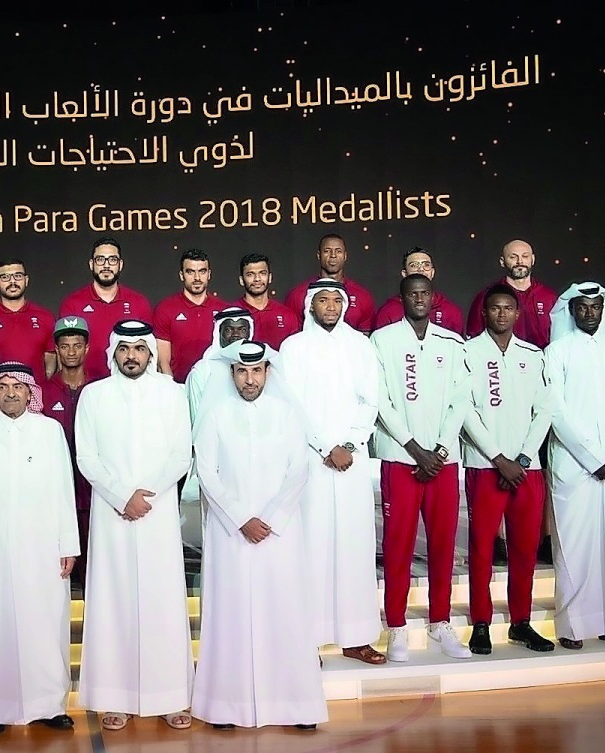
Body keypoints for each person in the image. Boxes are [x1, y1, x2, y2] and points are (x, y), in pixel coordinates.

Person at [191, 340, 327, 731]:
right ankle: (226, 707)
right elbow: (208, 473)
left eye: (256, 371)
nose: (249, 379)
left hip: (278, 535)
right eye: (241, 372)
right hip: (230, 533)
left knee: (283, 614)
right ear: (232, 374)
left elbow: (298, 470)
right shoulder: (215, 415)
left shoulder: (286, 415)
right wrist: (240, 519)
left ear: (268, 372)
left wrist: (270, 518)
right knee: (230, 616)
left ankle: (294, 706)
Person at [75, 320, 194, 732]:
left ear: (149, 352)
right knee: (113, 604)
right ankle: (116, 697)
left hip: (158, 514)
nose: (132, 356)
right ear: (113, 353)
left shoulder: (172, 394)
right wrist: (122, 495)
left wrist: (148, 495)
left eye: (139, 349)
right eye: (124, 349)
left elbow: (182, 455)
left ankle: (171, 696)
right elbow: (86, 457)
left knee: (162, 603)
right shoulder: (94, 396)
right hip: (112, 515)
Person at [0, 363, 80, 735]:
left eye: (18, 387)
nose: (11, 393)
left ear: (31, 392)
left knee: (45, 624)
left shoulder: (49, 430)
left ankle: (49, 705)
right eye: (4, 387)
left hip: (43, 547)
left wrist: (68, 544)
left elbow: (63, 488)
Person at [277, 280, 385, 665]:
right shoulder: (293, 348)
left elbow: (370, 400)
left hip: (351, 463)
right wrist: (326, 447)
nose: (329, 306)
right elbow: (292, 406)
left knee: (354, 548)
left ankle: (356, 637)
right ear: (310, 305)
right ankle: (307, 640)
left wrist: (350, 444)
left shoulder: (360, 345)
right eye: (322, 300)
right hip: (311, 462)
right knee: (311, 547)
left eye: (336, 300)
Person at [372, 274, 471, 662]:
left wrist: (441, 449)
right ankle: (395, 626)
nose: (418, 299)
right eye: (412, 294)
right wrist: (415, 449)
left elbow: (461, 400)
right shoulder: (382, 340)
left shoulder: (451, 342)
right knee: (397, 545)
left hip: (442, 462)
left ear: (433, 298)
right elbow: (381, 400)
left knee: (444, 543)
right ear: (401, 298)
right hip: (402, 459)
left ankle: (440, 622)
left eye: (424, 293)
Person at [544, 282, 605, 650]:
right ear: (571, 311)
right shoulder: (557, 352)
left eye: (596, 307)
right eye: (582, 307)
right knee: (574, 545)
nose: (589, 313)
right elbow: (555, 410)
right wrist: (590, 457)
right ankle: (573, 626)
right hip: (573, 465)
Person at [461, 285, 556, 655]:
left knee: (524, 549)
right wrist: (498, 457)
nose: (502, 314)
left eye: (508, 308)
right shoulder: (468, 352)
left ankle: (521, 622)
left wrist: (523, 458)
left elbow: (545, 410)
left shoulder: (533, 355)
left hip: (526, 469)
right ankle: (481, 623)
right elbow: (465, 409)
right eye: (495, 308)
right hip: (485, 467)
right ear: (484, 313)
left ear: (517, 314)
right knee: (483, 548)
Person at [41, 317, 93, 587]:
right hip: (56, 495)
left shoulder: (99, 390)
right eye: (65, 346)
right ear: (56, 350)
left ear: (87, 348)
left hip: (94, 494)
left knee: (96, 570)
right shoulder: (41, 392)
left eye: (77, 345)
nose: (71, 352)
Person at [59, 238, 153, 381]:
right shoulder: (72, 303)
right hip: (83, 386)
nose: (106, 265)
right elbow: (63, 351)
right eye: (100, 260)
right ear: (92, 264)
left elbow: (149, 350)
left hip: (128, 385)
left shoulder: (139, 302)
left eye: (112, 260)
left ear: (120, 265)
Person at [152, 248, 227, 382]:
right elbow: (163, 361)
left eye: (202, 271)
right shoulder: (165, 309)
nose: (197, 278)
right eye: (190, 272)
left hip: (215, 387)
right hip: (178, 387)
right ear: (182, 275)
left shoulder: (223, 310)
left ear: (209, 274)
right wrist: (173, 390)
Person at [466, 239, 558, 348]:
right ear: (502, 261)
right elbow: (474, 339)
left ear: (533, 259)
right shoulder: (488, 296)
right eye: (513, 257)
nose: (520, 261)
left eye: (525, 256)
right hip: (500, 361)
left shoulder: (549, 297)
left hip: (542, 361)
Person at [0, 258, 57, 378]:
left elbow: (50, 357)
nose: (12, 282)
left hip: (36, 392)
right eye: (5, 277)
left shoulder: (45, 316)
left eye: (18, 276)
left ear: (26, 280)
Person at [284, 233, 375, 333]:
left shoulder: (363, 296)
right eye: (327, 251)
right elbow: (292, 337)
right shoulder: (297, 295)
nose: (333, 255)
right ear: (319, 255)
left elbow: (365, 337)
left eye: (338, 251)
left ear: (345, 256)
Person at [372, 247, 464, 334]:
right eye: (414, 265)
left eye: (426, 265)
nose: (421, 269)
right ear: (404, 273)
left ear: (432, 272)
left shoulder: (451, 311)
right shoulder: (388, 311)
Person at [185, 307, 252, 425]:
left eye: (242, 330)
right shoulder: (202, 371)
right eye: (229, 330)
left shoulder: (260, 369)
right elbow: (195, 419)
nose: (236, 335)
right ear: (219, 333)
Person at [234, 253, 301, 350]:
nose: (257, 279)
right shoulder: (231, 314)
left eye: (262, 273)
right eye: (250, 274)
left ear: (269, 277)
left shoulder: (287, 315)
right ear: (241, 280)